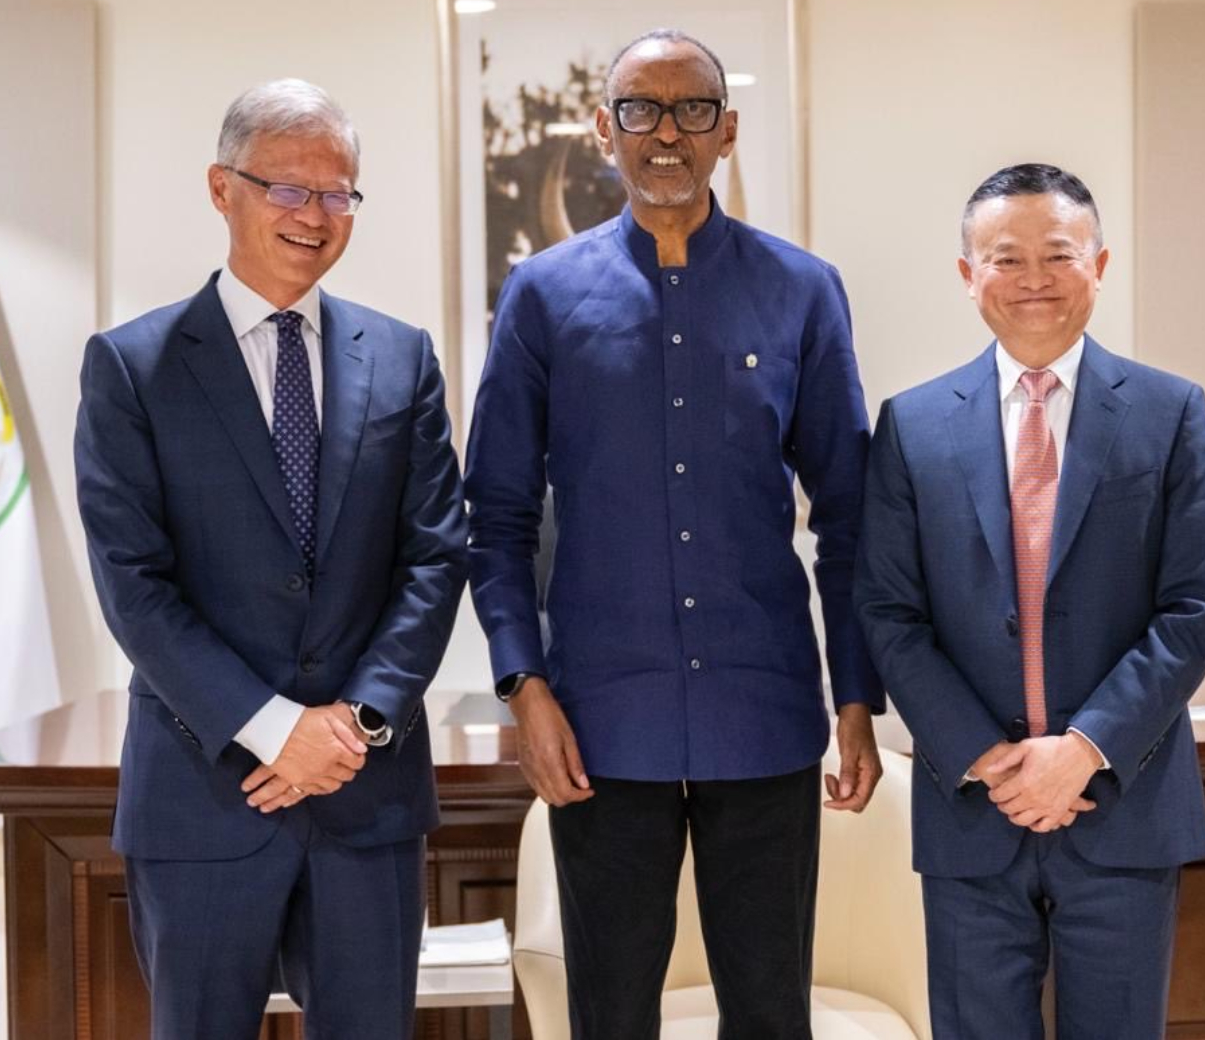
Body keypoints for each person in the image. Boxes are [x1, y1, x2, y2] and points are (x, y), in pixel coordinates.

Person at [465, 29, 885, 1039]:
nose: (666, 133)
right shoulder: (542, 295)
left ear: (726, 131)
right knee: (609, 1016)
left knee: (772, 1015)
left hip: (763, 713)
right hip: (600, 723)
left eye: (692, 109)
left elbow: (849, 513)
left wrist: (857, 697)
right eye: (640, 110)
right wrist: (525, 687)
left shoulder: (802, 289)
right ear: (602, 129)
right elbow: (496, 515)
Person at [74, 79, 467, 1040]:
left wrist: (355, 724)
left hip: (367, 793)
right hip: (204, 792)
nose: (314, 215)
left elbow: (434, 555)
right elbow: (133, 584)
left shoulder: (403, 357)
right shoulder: (133, 365)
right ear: (223, 188)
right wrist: (273, 728)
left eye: (338, 193)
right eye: (288, 188)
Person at [855, 163, 1205, 1038]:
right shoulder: (912, 425)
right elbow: (889, 613)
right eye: (1006, 258)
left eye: (1059, 254)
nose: (1034, 279)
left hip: (1124, 806)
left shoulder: (1171, 413)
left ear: (1100, 265)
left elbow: (1193, 608)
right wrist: (987, 757)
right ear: (968, 274)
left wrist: (1084, 750)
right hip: (971, 811)